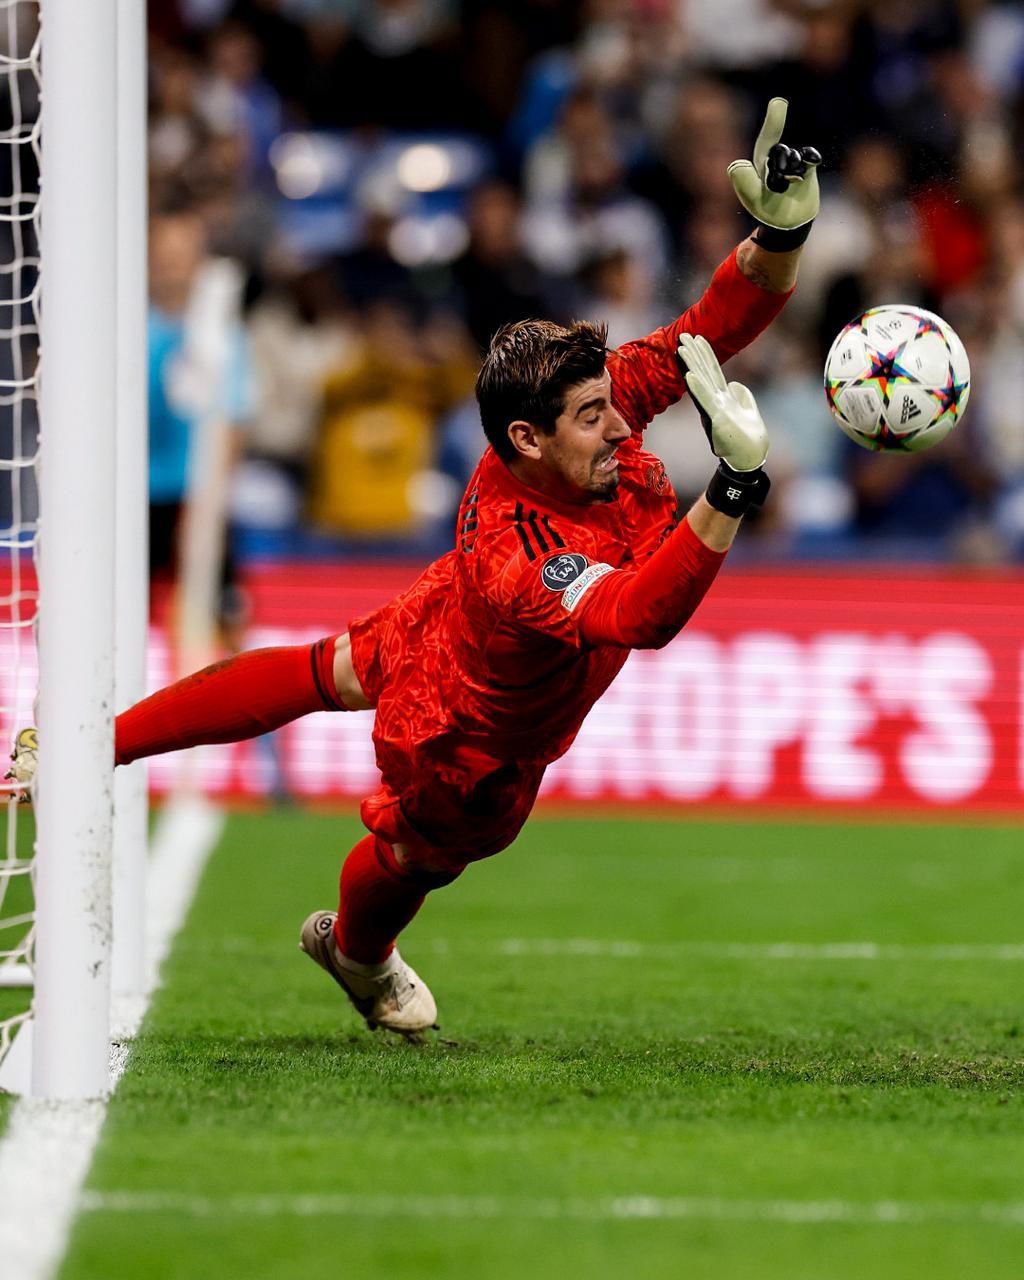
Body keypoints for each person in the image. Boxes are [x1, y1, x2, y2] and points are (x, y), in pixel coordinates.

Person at [12, 102, 821, 1040]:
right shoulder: (523, 553)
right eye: (593, 417)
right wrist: (733, 488)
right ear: (527, 439)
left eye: (612, 404)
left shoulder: (579, 419)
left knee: (323, 668)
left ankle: (88, 747)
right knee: (418, 855)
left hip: (448, 613)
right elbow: (640, 616)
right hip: (474, 727)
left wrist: (780, 236)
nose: (620, 424)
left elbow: (710, 328)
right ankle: (357, 954)